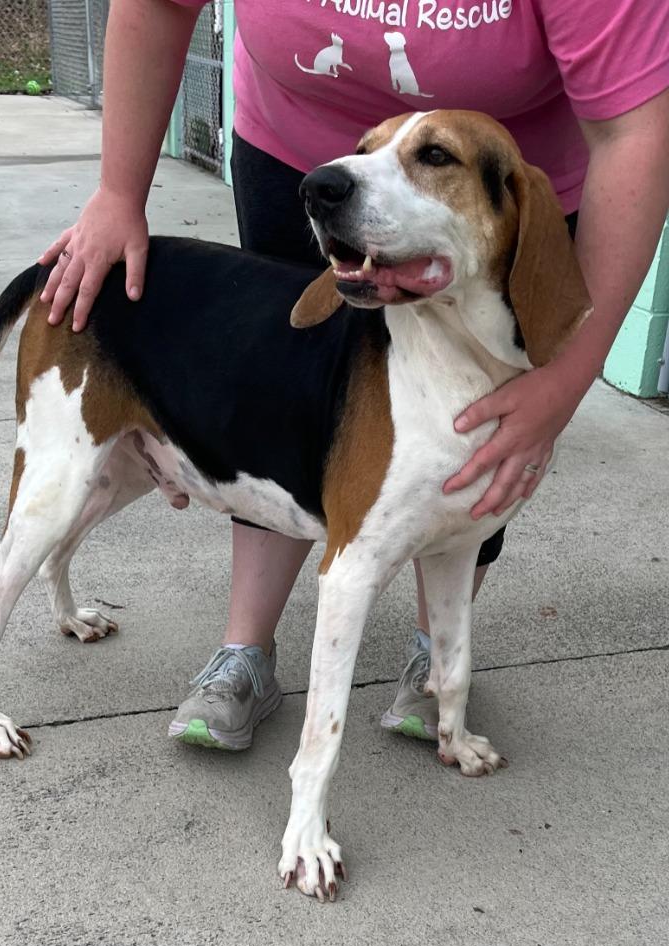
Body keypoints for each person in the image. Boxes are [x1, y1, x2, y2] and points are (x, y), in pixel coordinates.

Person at [39, 0, 669, 751]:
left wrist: (567, 378)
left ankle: (437, 663)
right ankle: (245, 653)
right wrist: (117, 190)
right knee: (278, 408)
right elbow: (155, 6)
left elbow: (639, 125)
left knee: (484, 439)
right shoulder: (335, 177)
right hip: (295, 144)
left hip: (499, 194)